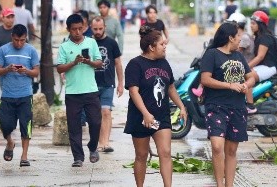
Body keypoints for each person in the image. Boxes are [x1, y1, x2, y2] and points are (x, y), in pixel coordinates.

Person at [124, 26, 187, 187]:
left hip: (161, 115)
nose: (165, 47)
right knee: (141, 155)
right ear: (151, 47)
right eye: (161, 45)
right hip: (140, 117)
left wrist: (181, 106)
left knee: (165, 153)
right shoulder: (135, 64)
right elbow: (133, 92)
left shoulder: (164, 63)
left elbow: (171, 87)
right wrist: (145, 113)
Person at [199, 22, 255, 187]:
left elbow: (251, 75)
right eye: (238, 37)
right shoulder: (212, 54)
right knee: (217, 147)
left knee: (231, 151)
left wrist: (247, 84)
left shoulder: (238, 56)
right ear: (230, 37)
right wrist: (229, 85)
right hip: (216, 106)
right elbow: (205, 79)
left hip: (237, 107)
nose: (240, 40)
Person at [56, 14, 103, 167]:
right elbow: (60, 68)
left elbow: (99, 63)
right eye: (74, 29)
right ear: (68, 30)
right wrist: (74, 62)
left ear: (84, 27)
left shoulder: (91, 42)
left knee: (95, 122)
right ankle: (78, 157)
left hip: (90, 90)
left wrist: (88, 61)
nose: (77, 32)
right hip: (72, 92)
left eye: (80, 29)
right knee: (74, 125)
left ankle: (93, 147)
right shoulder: (64, 47)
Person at [0, 24, 40, 167]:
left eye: (22, 40)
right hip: (7, 94)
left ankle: (24, 157)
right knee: (5, 124)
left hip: (25, 95)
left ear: (26, 38)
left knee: (26, 125)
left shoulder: (31, 51)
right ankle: (10, 142)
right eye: (16, 40)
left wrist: (26, 71)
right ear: (12, 37)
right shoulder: (3, 50)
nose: (19, 43)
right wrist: (7, 69)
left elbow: (36, 72)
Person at [90, 17, 124, 153]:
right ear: (91, 28)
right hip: (91, 85)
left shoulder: (112, 43)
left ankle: (105, 142)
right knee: (95, 115)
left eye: (100, 28)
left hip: (108, 84)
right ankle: (99, 142)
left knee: (106, 112)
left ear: (105, 27)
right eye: (95, 29)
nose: (98, 31)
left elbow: (118, 64)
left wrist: (121, 83)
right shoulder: (88, 43)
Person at [227, 12, 257, 113]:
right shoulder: (244, 35)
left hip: (244, 66)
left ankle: (250, 105)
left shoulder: (242, 37)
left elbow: (235, 52)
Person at [248, 10, 277, 87]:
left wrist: (246, 67)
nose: (251, 26)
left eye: (253, 23)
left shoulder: (265, 37)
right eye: (251, 23)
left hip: (268, 67)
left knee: (246, 76)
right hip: (261, 67)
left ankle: (249, 99)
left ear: (260, 25)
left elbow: (260, 57)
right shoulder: (258, 37)